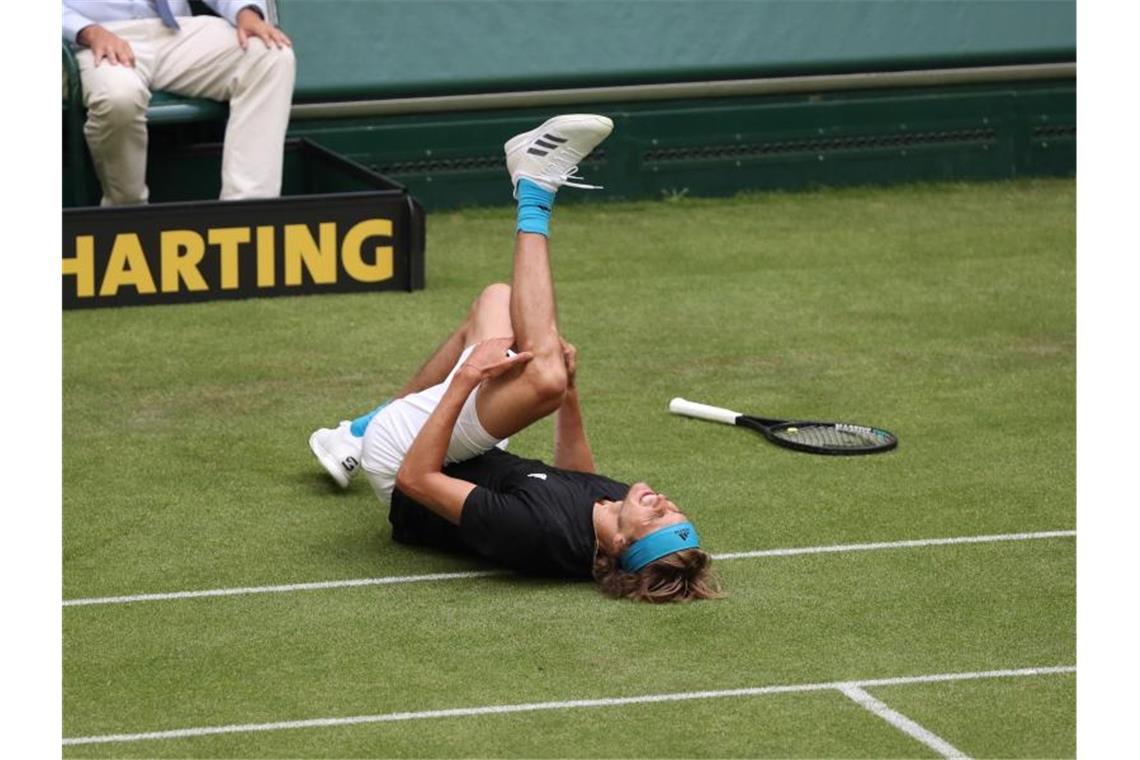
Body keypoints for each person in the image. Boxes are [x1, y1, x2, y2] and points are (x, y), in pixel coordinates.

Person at [309, 114, 721, 603]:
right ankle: (358, 429)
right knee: (499, 302)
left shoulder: (537, 532)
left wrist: (467, 379)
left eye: (657, 515)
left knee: (539, 376)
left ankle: (535, 185)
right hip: (471, 456)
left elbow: (416, 480)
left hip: (404, 462)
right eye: (674, 508)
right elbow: (579, 478)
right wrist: (571, 393)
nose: (662, 501)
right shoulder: (609, 511)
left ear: (618, 542)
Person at [62, 1, 295, 206]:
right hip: (88, 39)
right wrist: (86, 31)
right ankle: (127, 214)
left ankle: (247, 215)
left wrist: (246, 11)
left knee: (271, 56)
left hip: (175, 29)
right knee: (120, 96)